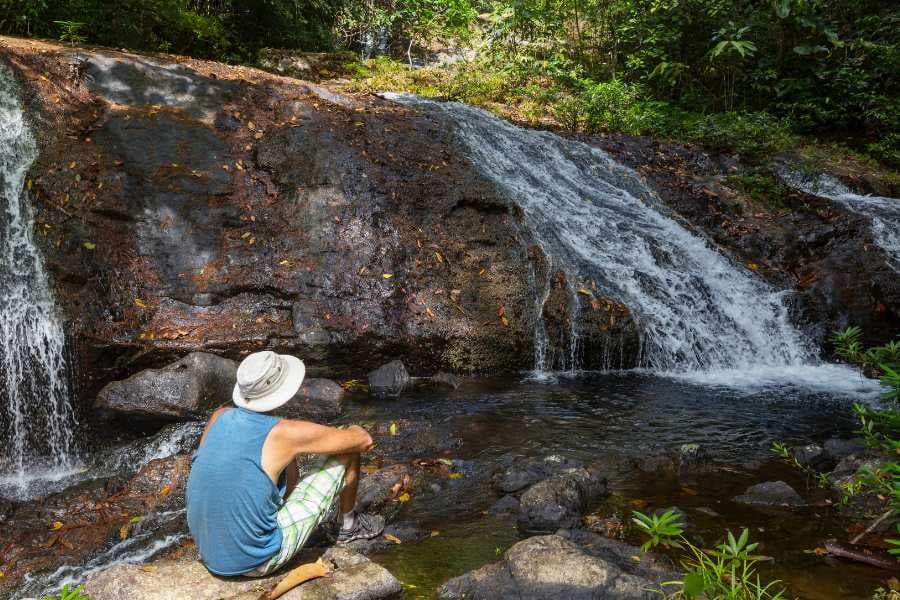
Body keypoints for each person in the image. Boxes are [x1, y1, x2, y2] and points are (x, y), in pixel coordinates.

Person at [186, 350, 385, 577]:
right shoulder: (285, 433)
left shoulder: (219, 415)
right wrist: (355, 428)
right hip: (254, 561)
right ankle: (349, 527)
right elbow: (363, 441)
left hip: (208, 551)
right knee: (347, 449)